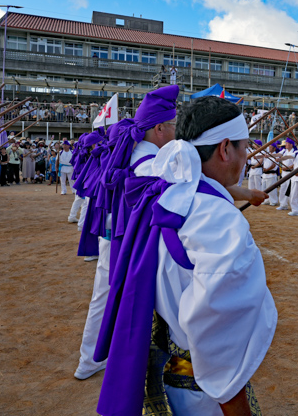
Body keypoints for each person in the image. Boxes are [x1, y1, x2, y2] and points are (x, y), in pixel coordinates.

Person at [96, 95, 275, 415]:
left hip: (170, 368)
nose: (246, 156)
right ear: (224, 149)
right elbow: (219, 340)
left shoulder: (165, 192)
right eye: (244, 147)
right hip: (203, 388)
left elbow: (193, 178)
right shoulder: (222, 226)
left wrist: (245, 193)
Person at [74, 85, 180, 382]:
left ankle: (89, 358)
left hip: (114, 232)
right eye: (173, 126)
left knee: (104, 294)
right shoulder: (148, 160)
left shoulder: (132, 149)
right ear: (159, 128)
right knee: (131, 295)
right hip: (125, 239)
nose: (176, 133)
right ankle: (98, 358)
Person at [275, 138, 296, 212]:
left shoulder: (295, 152)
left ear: (291, 145)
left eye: (287, 144)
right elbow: (278, 154)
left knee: (289, 190)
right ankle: (283, 205)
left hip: (290, 173)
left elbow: (294, 163)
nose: (285, 145)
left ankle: (292, 206)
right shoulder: (284, 150)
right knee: (282, 189)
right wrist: (270, 155)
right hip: (284, 173)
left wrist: (281, 160)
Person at [260, 142, 280, 206]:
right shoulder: (267, 155)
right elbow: (264, 163)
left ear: (274, 149)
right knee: (264, 188)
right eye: (269, 147)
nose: (269, 148)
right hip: (265, 175)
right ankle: (266, 200)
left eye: (271, 147)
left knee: (271, 189)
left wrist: (267, 169)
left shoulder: (276, 155)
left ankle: (273, 201)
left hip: (271, 174)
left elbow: (274, 165)